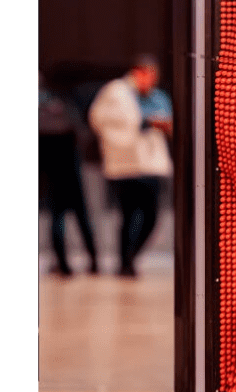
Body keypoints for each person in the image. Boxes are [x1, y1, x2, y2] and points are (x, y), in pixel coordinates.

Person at [88, 54, 173, 277]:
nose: (151, 81)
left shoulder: (158, 97)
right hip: (125, 165)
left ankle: (131, 257)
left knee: (151, 216)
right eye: (148, 75)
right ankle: (125, 262)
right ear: (138, 72)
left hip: (151, 164)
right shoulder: (116, 92)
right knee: (128, 216)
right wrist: (145, 122)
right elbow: (100, 120)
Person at [39, 73, 99, 276]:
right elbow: (81, 134)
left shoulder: (45, 109)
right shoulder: (62, 105)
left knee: (59, 217)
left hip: (55, 173)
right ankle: (93, 261)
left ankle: (64, 266)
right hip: (71, 170)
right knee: (80, 217)